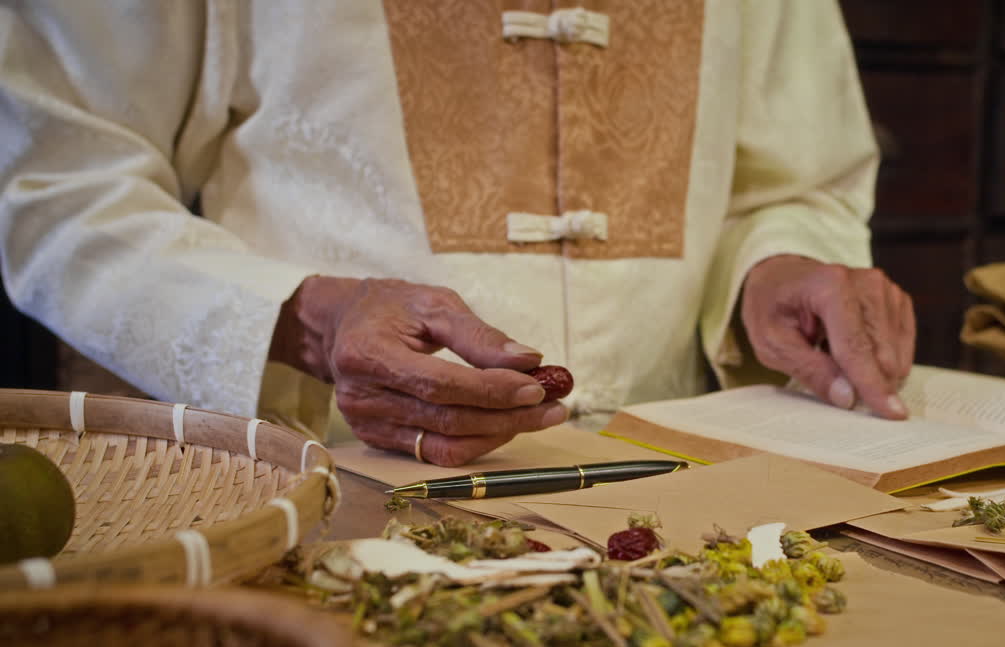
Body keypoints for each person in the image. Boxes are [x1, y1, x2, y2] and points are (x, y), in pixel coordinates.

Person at [0, 1, 914, 466]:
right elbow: (57, 175)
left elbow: (793, 179)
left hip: (697, 485)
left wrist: (774, 264)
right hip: (321, 478)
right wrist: (307, 322)